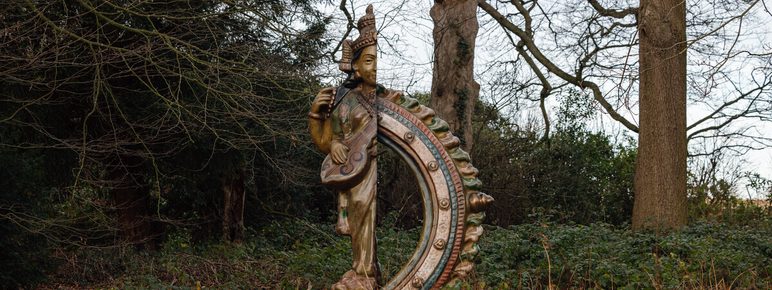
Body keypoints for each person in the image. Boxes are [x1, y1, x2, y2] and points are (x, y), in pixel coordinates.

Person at [308, 5, 382, 289]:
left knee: (367, 210)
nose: (373, 68)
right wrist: (318, 117)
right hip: (353, 171)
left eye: (377, 61)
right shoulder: (345, 101)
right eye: (368, 61)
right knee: (359, 210)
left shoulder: (384, 101)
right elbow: (328, 140)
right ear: (356, 66)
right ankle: (360, 271)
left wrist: (380, 149)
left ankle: (367, 272)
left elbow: (399, 138)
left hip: (370, 167)